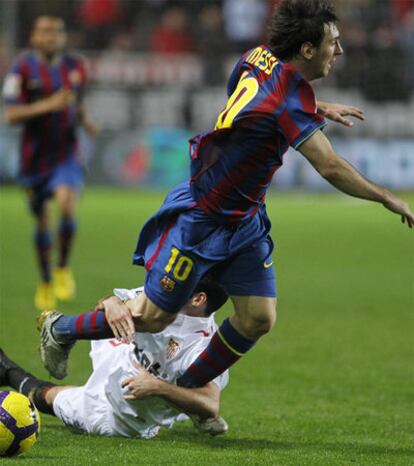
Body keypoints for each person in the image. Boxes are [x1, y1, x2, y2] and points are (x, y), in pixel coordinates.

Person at [42, 0, 414, 391]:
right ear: (306, 49)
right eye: (332, 43)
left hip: (244, 220)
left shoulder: (259, 57)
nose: (339, 51)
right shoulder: (288, 99)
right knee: (153, 318)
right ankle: (60, 328)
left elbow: (245, 93)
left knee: (258, 317)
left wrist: (314, 105)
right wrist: (388, 197)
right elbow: (331, 167)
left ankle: (181, 390)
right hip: (203, 219)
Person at [0, 279, 229, 439]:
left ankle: (7, 370)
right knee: (114, 319)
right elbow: (105, 306)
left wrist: (157, 387)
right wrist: (111, 302)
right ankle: (60, 333)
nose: (175, 283)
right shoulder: (165, 300)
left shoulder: (202, 347)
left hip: (120, 413)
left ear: (198, 299)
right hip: (121, 349)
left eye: (188, 281)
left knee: (51, 398)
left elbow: (211, 404)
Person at [2, 16, 97, 311]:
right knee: (42, 219)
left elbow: (75, 103)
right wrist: (49, 104)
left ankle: (62, 267)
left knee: (67, 205)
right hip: (33, 158)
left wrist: (85, 121)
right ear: (33, 36)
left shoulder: (76, 67)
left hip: (66, 153)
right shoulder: (21, 69)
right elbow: (10, 115)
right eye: (44, 31)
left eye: (56, 31)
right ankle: (45, 281)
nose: (51, 37)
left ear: (63, 36)